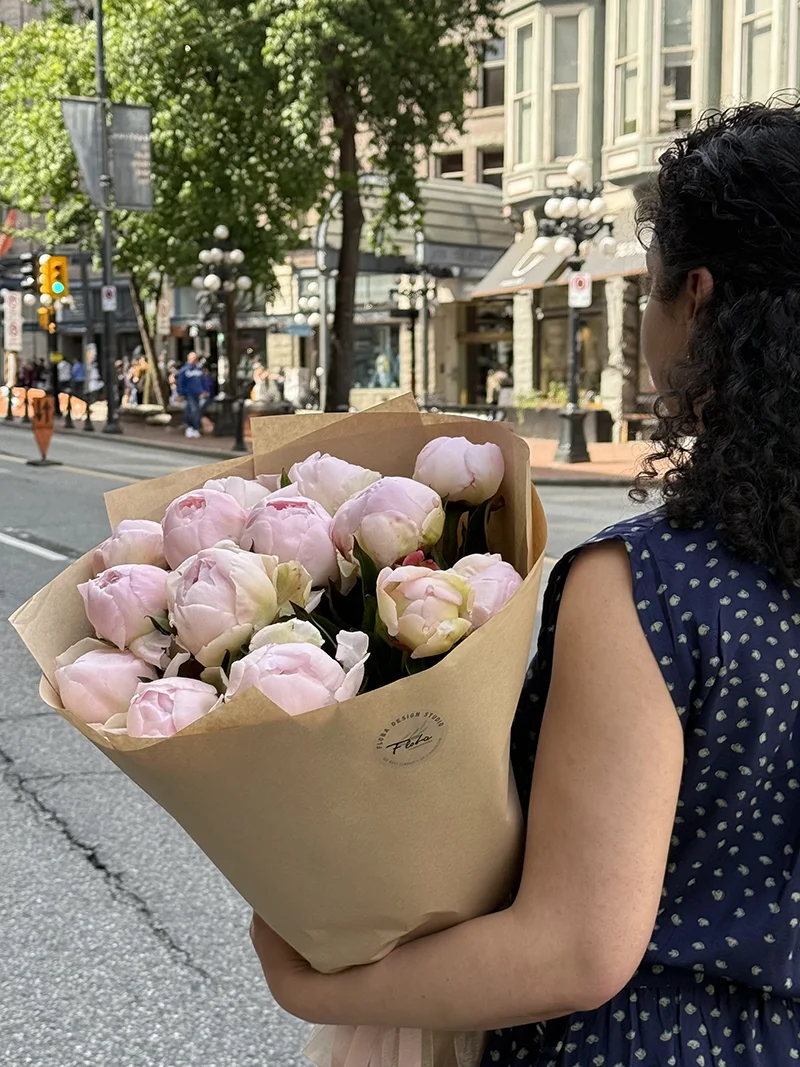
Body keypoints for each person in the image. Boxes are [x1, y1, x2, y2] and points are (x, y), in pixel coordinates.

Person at [250, 103, 800, 1065]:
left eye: (652, 289)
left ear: (699, 298)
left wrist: (317, 983)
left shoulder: (653, 589)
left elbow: (575, 947)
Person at [177, 351, 206, 438]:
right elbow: (181, 382)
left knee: (194, 410)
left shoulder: (199, 370)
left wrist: (203, 391)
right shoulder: (184, 370)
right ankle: (192, 427)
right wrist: (181, 393)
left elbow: (202, 382)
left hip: (198, 394)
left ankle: (192, 427)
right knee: (194, 410)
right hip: (189, 394)